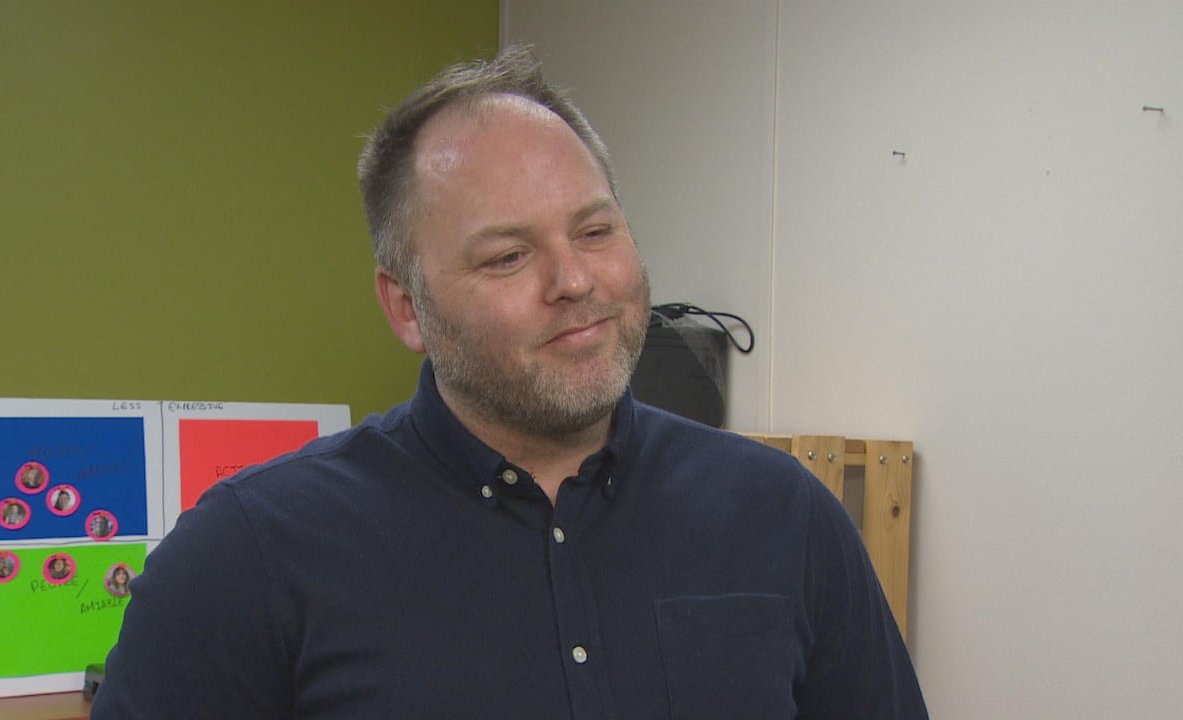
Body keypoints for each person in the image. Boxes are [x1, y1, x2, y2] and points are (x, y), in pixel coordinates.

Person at [94, 45, 927, 719]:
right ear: (406, 306)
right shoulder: (245, 556)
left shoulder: (786, 515)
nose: (575, 281)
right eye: (508, 256)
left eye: (596, 230)